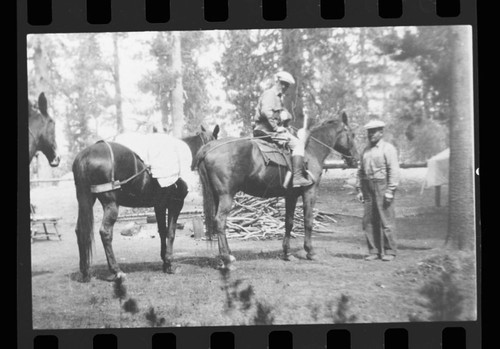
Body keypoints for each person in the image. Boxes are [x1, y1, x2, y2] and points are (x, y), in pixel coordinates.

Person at [253, 71, 313, 187]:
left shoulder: (279, 98)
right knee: (298, 144)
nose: (285, 87)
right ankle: (297, 177)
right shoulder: (270, 94)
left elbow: (283, 114)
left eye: (287, 85)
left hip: (271, 129)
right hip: (267, 130)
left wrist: (285, 117)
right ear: (278, 82)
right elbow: (266, 112)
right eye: (283, 84)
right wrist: (276, 128)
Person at [356, 119, 400, 261]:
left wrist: (390, 190)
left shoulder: (388, 148)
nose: (371, 135)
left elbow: (393, 170)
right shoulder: (366, 150)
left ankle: (390, 251)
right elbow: (360, 170)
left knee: (386, 219)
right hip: (367, 186)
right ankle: (374, 251)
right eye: (369, 132)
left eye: (374, 132)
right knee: (368, 220)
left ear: (381, 132)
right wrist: (359, 189)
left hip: (382, 185)